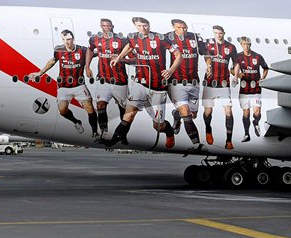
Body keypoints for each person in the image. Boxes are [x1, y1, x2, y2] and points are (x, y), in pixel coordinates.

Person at [102, 16, 175, 148]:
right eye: (140, 26)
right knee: (129, 114)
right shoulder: (133, 38)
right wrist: (119, 58)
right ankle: (115, 139)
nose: (143, 28)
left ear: (149, 25)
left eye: (145, 25)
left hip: (158, 87)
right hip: (140, 84)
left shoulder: (160, 38)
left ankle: (169, 130)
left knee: (158, 125)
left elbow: (178, 55)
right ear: (136, 27)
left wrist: (171, 70)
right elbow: (129, 47)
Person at [27, 30, 98, 137]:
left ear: (73, 39)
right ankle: (76, 122)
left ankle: (95, 132)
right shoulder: (59, 50)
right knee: (62, 111)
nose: (67, 42)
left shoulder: (82, 50)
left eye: (69, 39)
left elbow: (93, 53)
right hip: (63, 87)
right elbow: (52, 61)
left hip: (79, 85)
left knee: (90, 108)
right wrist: (40, 73)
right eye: (64, 40)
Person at [162, 19, 204, 151]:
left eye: (185, 28)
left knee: (193, 114)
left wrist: (208, 65)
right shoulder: (167, 38)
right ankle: (196, 143)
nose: (183, 30)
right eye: (179, 28)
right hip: (176, 82)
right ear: (173, 27)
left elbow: (205, 52)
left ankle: (176, 114)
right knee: (185, 112)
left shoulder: (195, 38)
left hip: (193, 81)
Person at [87, 18, 129, 139]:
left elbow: (134, 58)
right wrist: (87, 67)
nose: (107, 28)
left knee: (123, 108)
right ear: (101, 26)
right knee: (100, 105)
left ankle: (123, 135)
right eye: (104, 26)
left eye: (109, 26)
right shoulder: (95, 39)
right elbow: (90, 50)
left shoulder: (121, 40)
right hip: (103, 80)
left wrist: (121, 59)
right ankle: (104, 132)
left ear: (112, 26)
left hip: (119, 80)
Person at [201, 25, 239, 149]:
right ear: (214, 33)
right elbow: (206, 55)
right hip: (210, 83)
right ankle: (208, 130)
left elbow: (236, 63)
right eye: (216, 33)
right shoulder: (208, 44)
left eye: (220, 33)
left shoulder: (230, 47)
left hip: (224, 84)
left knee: (228, 110)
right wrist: (208, 66)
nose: (218, 35)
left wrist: (236, 76)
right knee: (208, 111)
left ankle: (229, 140)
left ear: (224, 33)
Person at [233, 36, 269, 142]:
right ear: (241, 45)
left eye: (248, 44)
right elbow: (232, 70)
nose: (246, 46)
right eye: (244, 44)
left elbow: (266, 68)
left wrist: (262, 78)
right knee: (246, 113)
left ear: (250, 45)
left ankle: (256, 122)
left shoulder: (257, 57)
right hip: (244, 90)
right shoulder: (238, 57)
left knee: (257, 112)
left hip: (256, 90)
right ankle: (247, 134)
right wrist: (238, 75)